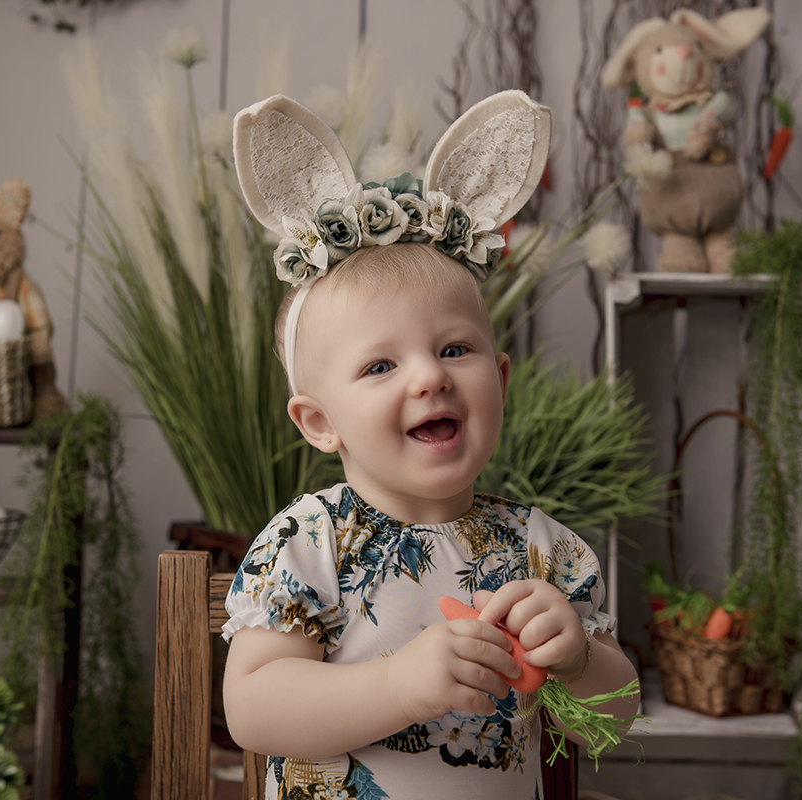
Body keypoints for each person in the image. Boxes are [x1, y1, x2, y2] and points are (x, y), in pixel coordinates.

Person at [222, 91, 640, 800]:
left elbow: (613, 723)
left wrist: (577, 661)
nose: (429, 377)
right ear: (319, 422)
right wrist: (397, 685)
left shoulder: (541, 550)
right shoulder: (310, 540)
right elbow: (253, 709)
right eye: (381, 366)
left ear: (499, 381)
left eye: (454, 348)